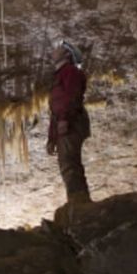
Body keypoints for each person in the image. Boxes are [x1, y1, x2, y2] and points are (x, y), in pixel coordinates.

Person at [46, 40, 91, 205]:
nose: (54, 50)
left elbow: (72, 97)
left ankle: (79, 202)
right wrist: (51, 138)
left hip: (72, 120)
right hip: (64, 120)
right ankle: (77, 200)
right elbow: (54, 110)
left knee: (70, 163)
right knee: (66, 163)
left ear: (66, 54)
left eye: (58, 48)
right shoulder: (59, 75)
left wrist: (65, 119)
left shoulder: (71, 72)